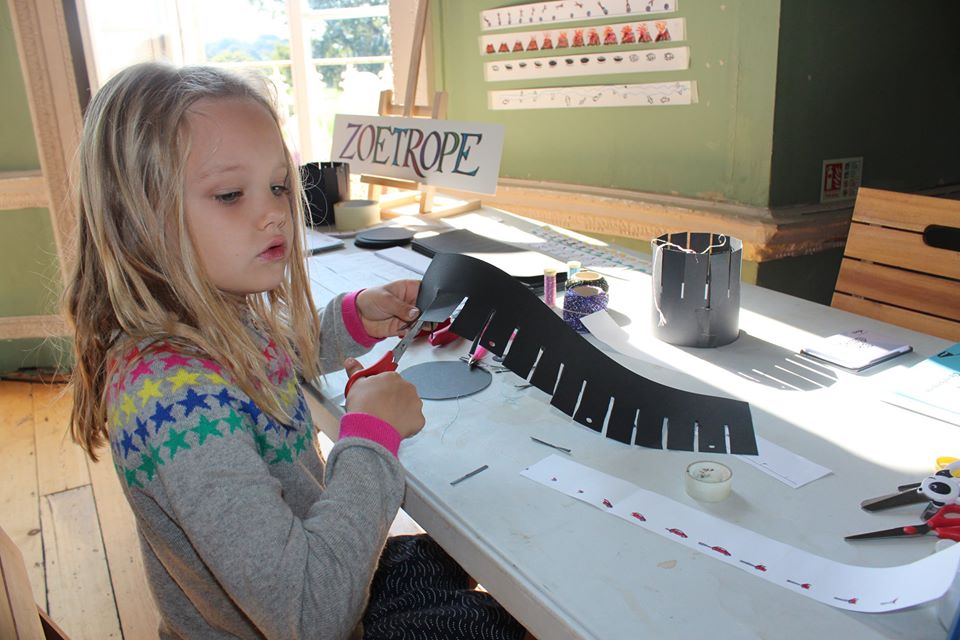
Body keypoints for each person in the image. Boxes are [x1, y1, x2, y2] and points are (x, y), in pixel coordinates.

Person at [64, 62, 525, 640]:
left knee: (461, 562)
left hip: (306, 571)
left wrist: (353, 319)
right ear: (135, 218)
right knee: (495, 623)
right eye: (230, 195)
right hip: (306, 609)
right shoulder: (173, 405)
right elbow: (310, 615)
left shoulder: (206, 322)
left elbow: (266, 358)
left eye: (280, 186)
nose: (274, 213)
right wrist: (371, 438)